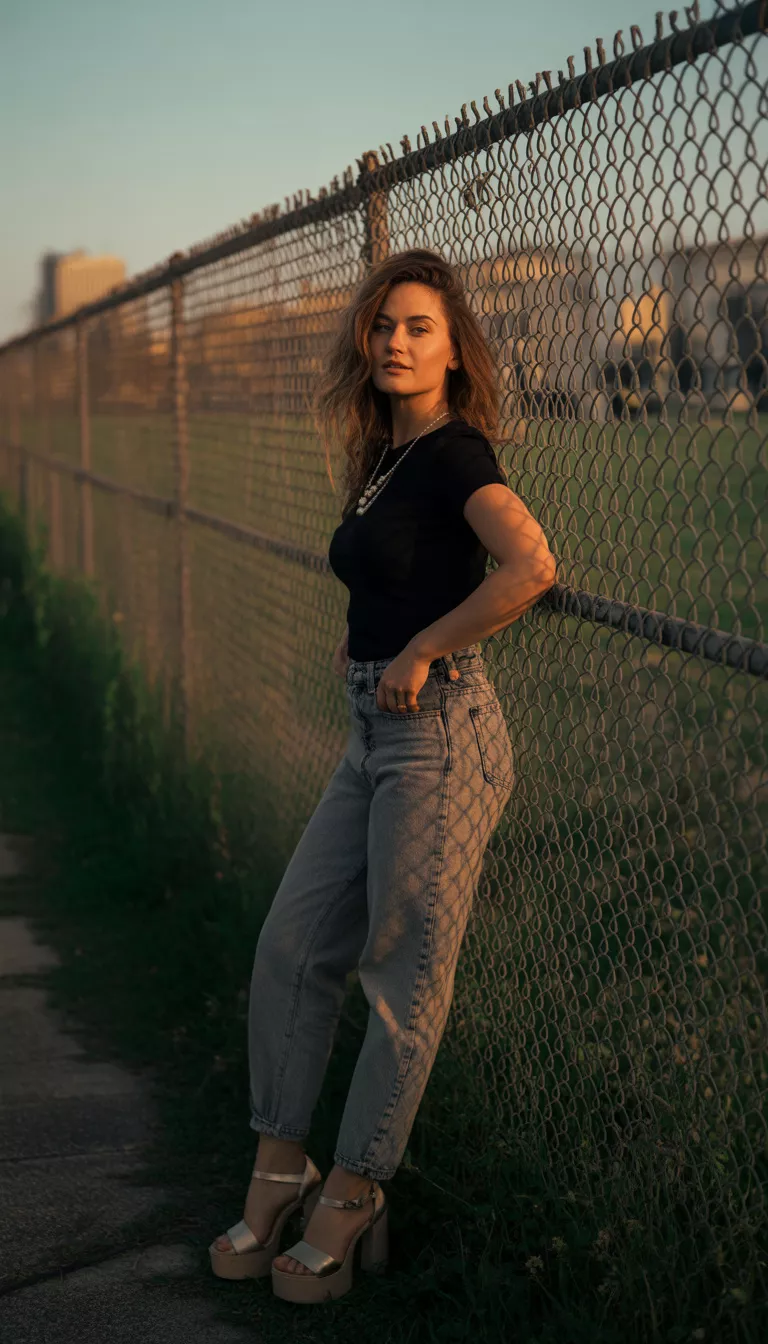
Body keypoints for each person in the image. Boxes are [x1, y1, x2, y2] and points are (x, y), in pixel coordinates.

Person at [210, 248, 557, 1303]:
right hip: (374, 732)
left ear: (455, 349)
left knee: (400, 973)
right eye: (382, 327)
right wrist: (368, 649)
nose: (395, 342)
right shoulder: (381, 459)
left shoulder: (456, 455)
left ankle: (356, 1190)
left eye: (417, 327)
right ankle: (283, 1165)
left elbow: (530, 566)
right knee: (293, 947)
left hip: (440, 733)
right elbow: (385, 579)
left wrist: (418, 651)